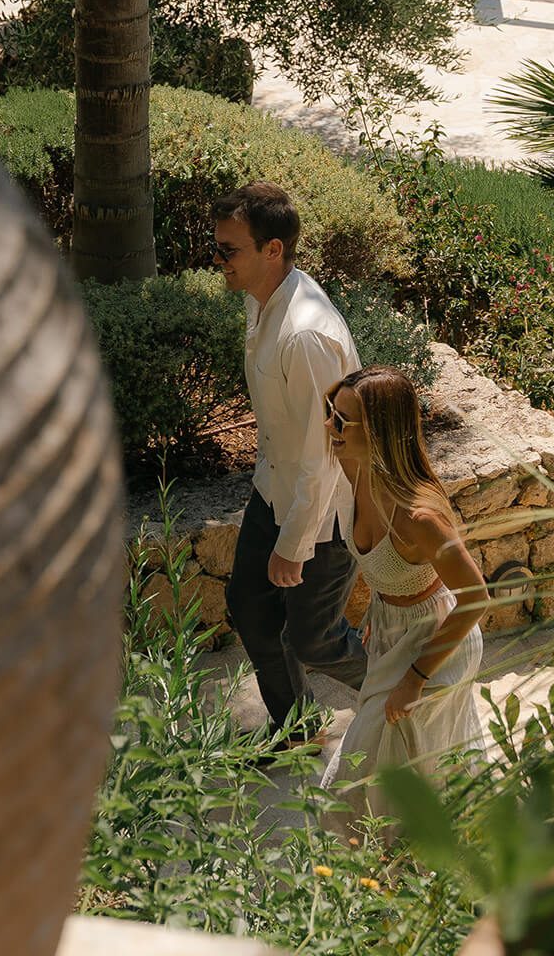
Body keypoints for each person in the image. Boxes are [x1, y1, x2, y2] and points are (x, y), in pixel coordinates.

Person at [214, 182, 368, 748]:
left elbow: (320, 459)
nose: (218, 260)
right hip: (273, 489)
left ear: (272, 250)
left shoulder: (304, 334)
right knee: (250, 608)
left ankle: (408, 692)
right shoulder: (264, 303)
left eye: (229, 249)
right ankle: (297, 727)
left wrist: (293, 545)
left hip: (320, 513)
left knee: (317, 640)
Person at [318, 365, 487, 824]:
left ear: (378, 430)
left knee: (366, 774)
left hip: (435, 647)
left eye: (342, 420)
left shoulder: (419, 517)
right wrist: (381, 603)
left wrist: (415, 676)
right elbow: (380, 565)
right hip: (391, 636)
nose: (329, 425)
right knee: (401, 768)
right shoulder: (354, 476)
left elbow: (476, 596)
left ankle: (400, 869)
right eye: (331, 412)